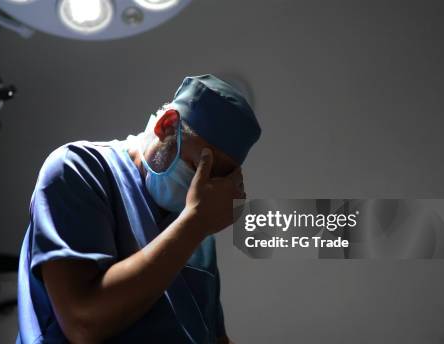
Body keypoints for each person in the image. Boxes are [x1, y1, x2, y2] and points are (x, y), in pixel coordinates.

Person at [16, 74, 261, 343]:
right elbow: (83, 322)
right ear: (167, 126)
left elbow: (212, 336)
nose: (201, 188)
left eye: (215, 178)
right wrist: (195, 224)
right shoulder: (79, 169)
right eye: (197, 167)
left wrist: (195, 224)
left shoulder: (196, 224)